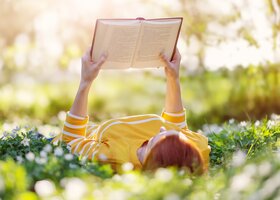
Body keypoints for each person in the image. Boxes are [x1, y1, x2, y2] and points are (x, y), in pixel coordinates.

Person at [51, 48, 210, 174]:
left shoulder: (112, 158)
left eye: (156, 139)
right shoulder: (196, 151)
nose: (162, 128)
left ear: (152, 157)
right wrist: (172, 77)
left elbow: (69, 143)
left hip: (56, 139)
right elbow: (177, 127)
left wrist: (85, 81)